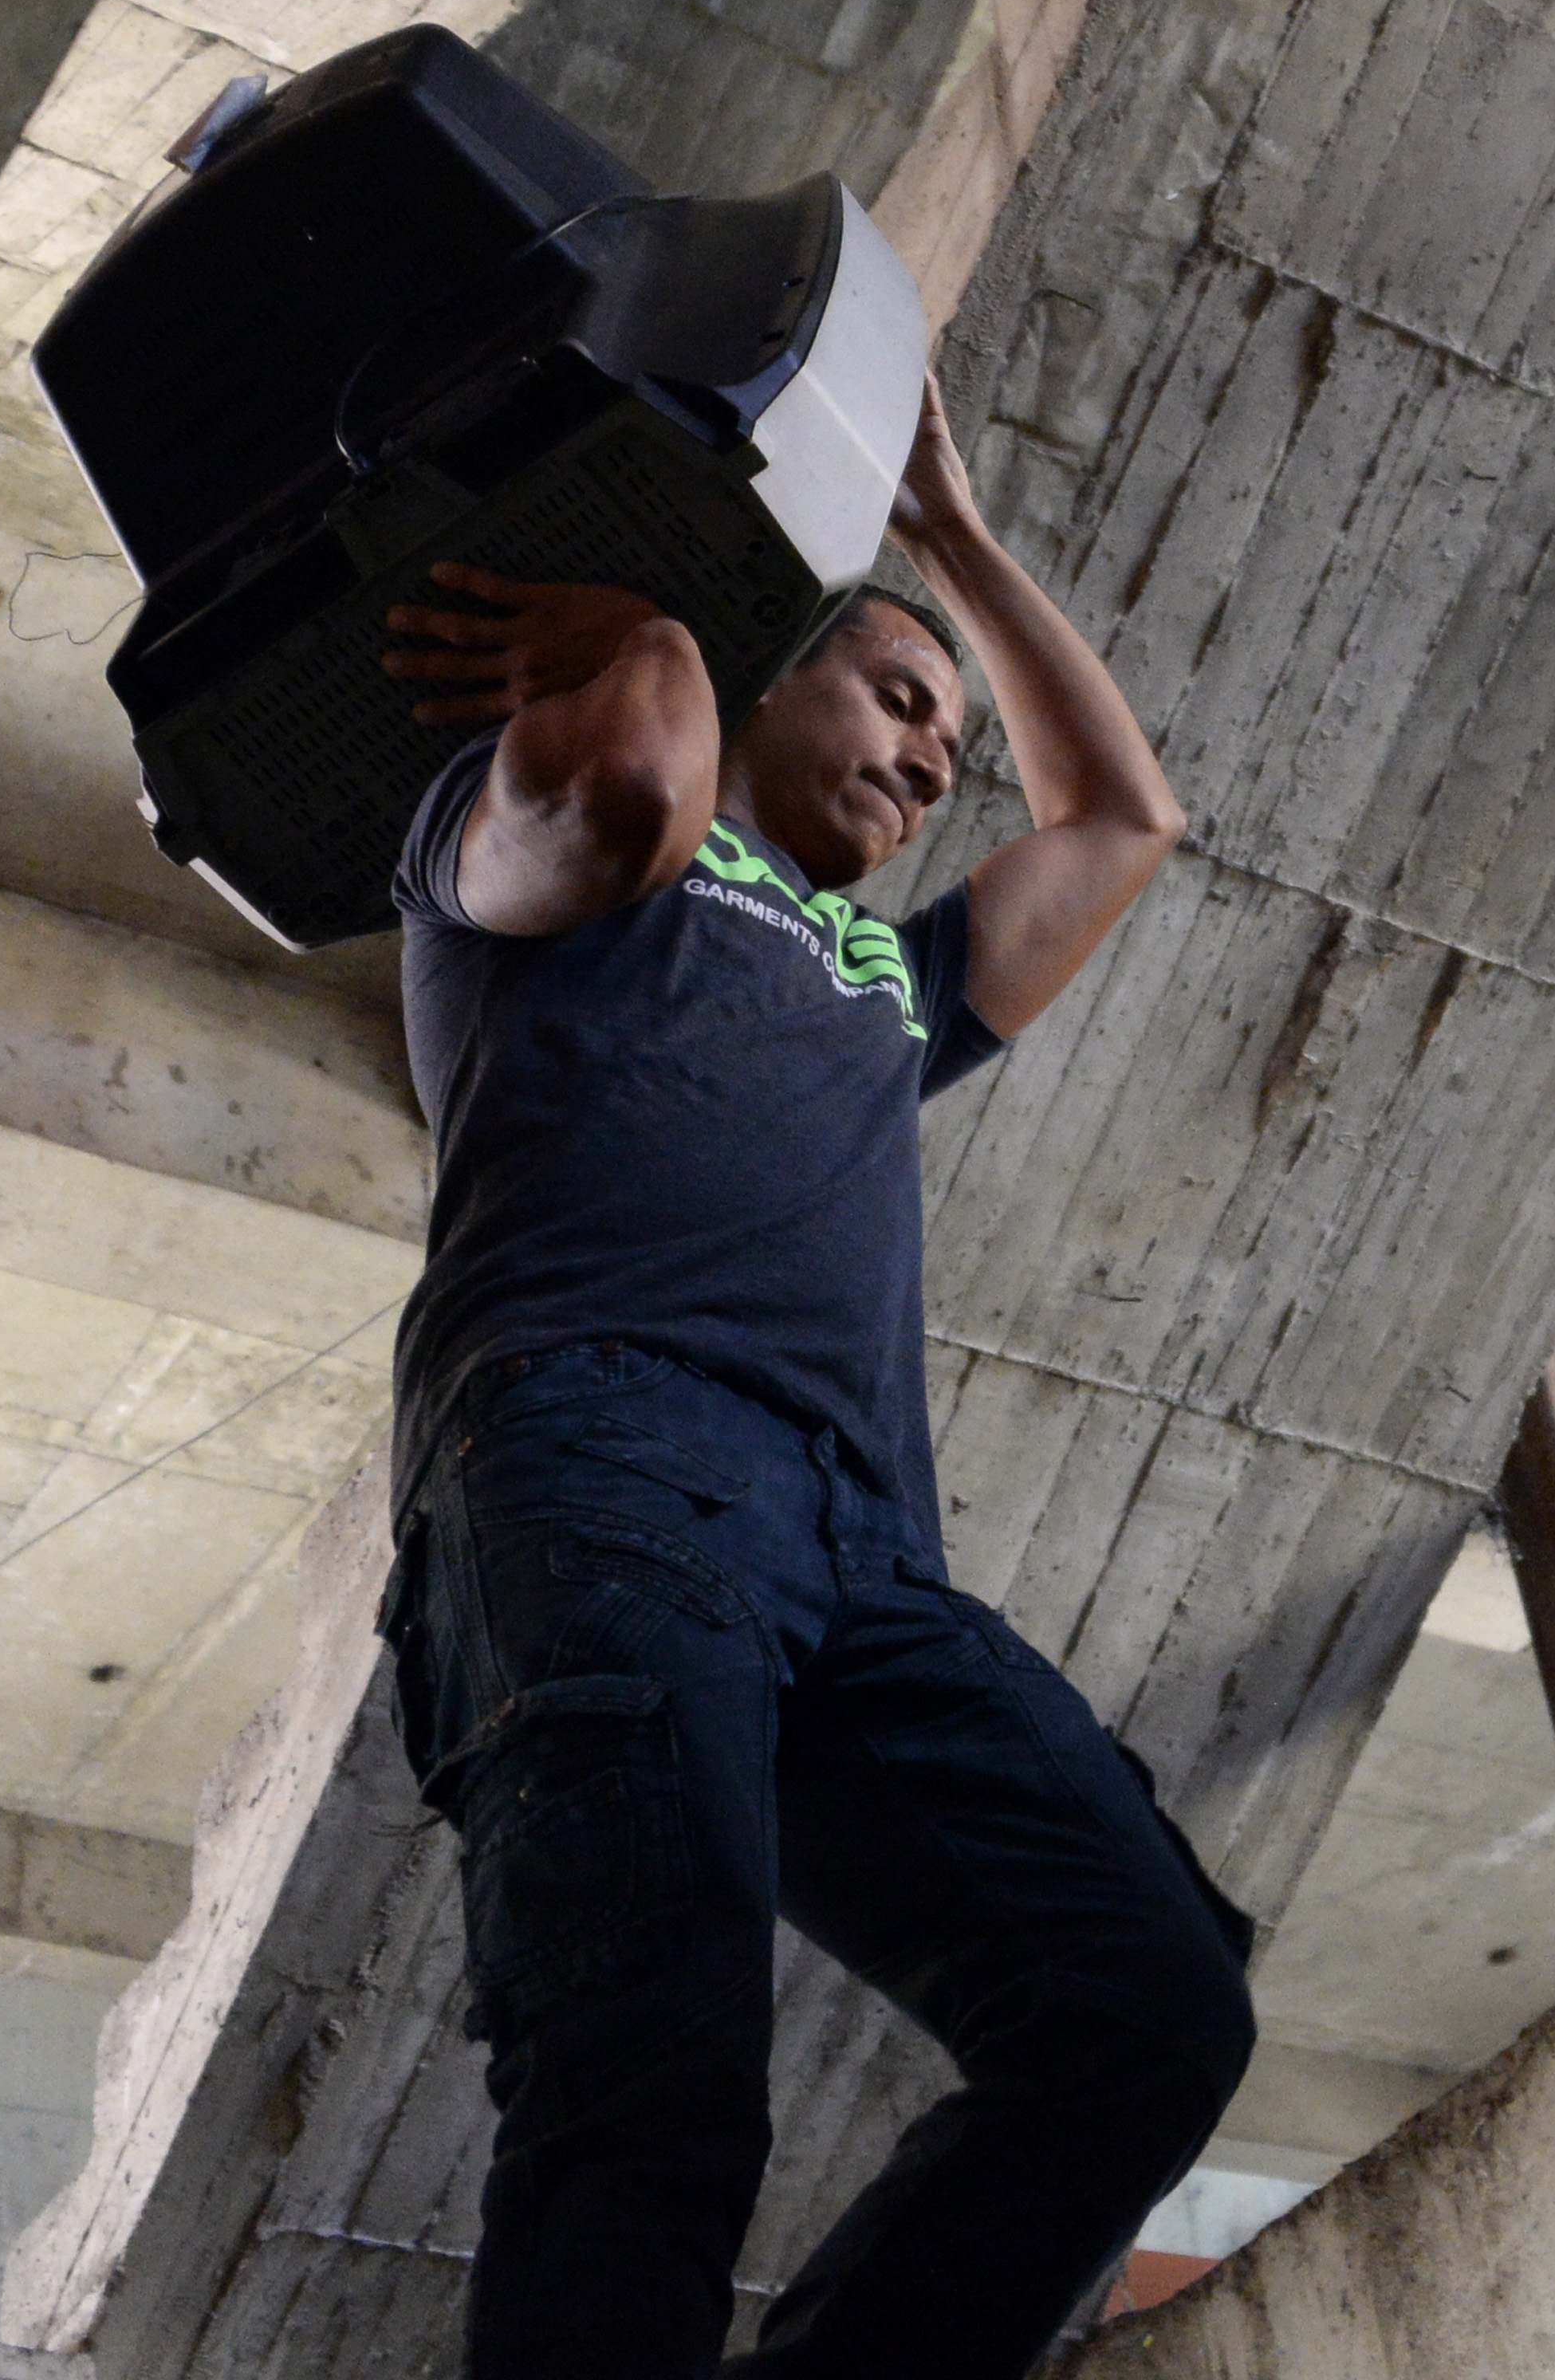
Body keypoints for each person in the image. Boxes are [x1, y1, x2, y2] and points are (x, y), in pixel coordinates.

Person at [369, 377, 1254, 2379]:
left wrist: (948, 541)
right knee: (650, 2087)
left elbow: (1126, 821)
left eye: (945, 733)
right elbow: (595, 794)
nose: (934, 750)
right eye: (886, 693)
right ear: (753, 687)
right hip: (595, 1454)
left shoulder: (892, 987)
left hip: (859, 1559)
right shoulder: (553, 858)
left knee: (1149, 2009)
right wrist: (663, 622)